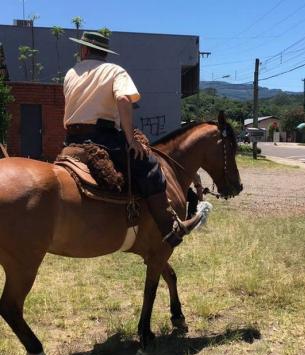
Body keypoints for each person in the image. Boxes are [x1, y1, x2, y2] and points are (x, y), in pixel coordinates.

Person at [63, 31, 203, 248]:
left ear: (84, 50)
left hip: (71, 141)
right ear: (104, 52)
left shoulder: (71, 73)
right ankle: (169, 228)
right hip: (102, 138)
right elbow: (122, 98)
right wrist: (131, 139)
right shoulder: (113, 70)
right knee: (151, 168)